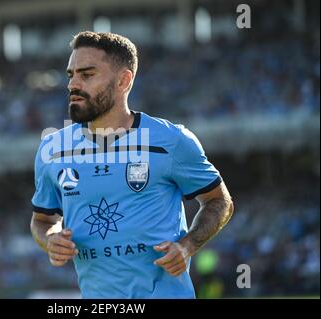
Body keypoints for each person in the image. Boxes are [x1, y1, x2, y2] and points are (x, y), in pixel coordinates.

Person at [30, 31, 234, 298]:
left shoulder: (171, 141)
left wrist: (187, 246)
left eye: (87, 74)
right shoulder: (52, 149)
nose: (73, 85)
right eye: (71, 75)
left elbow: (220, 202)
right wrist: (50, 239)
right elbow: (42, 220)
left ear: (123, 80)